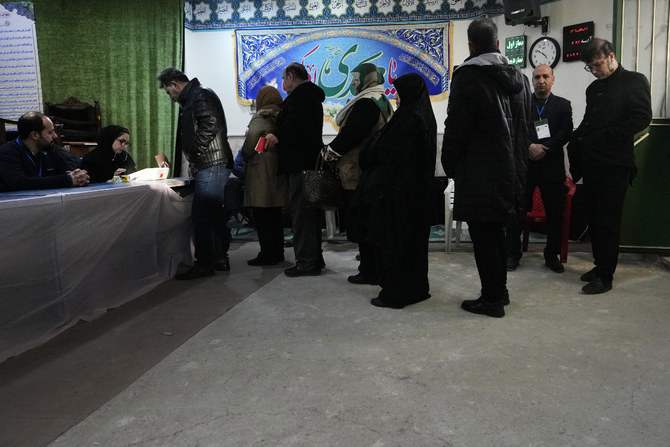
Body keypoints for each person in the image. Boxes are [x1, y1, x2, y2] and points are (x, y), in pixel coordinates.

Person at [441, 17, 533, 318]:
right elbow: (527, 128)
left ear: (470, 46)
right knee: (497, 234)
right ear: (496, 44)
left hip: (481, 171)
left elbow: (456, 128)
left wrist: (449, 164)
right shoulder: (521, 78)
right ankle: (499, 292)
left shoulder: (467, 76)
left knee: (483, 237)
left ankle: (491, 299)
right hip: (513, 171)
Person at [567, 38, 652, 294]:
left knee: (608, 220)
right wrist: (576, 137)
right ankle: (599, 264)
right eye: (589, 67)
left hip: (615, 164)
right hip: (593, 163)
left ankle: (605, 276)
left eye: (597, 65)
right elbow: (589, 121)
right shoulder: (594, 90)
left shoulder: (634, 81)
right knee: (593, 218)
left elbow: (642, 117)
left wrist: (606, 136)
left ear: (611, 57)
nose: (594, 71)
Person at [357, 73, 436, 309]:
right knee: (415, 245)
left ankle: (395, 293)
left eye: (399, 93)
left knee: (395, 243)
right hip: (417, 194)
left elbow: (384, 152)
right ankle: (417, 289)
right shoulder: (425, 116)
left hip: (398, 195)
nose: (397, 98)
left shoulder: (408, 118)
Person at [157, 68, 235, 280]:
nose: (169, 96)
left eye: (168, 91)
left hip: (212, 162)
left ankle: (205, 263)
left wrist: (195, 151)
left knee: (202, 215)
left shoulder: (200, 95)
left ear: (175, 84)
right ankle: (219, 257)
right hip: (213, 162)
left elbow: (210, 123)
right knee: (214, 214)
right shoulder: (197, 95)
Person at [323, 63, 394, 286]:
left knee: (363, 222)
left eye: (356, 79)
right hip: (370, 169)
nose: (353, 83)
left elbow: (353, 134)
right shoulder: (380, 100)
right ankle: (371, 266)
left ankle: (369, 270)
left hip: (358, 170)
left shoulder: (366, 103)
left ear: (367, 79)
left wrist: (330, 152)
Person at [506, 64, 573, 273]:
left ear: (553, 79)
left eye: (545, 76)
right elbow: (513, 129)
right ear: (532, 80)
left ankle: (551, 255)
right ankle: (512, 254)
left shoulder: (563, 105)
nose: (541, 81)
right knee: (517, 212)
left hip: (551, 166)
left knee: (555, 214)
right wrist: (528, 147)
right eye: (536, 77)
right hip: (525, 166)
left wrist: (545, 148)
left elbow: (566, 132)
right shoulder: (522, 103)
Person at [265, 62, 326, 277]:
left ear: (292, 76)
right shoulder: (311, 96)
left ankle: (307, 262)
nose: (283, 84)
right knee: (310, 214)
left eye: (284, 79)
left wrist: (276, 135)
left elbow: (294, 126)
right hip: (310, 162)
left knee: (302, 214)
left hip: (300, 164)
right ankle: (314, 258)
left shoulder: (300, 97)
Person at [240, 85, 288, 266]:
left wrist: (245, 154)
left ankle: (267, 254)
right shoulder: (281, 117)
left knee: (262, 213)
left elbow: (252, 136)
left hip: (260, 170)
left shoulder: (262, 116)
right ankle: (278, 252)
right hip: (276, 169)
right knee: (275, 214)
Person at [0, 111, 89, 191]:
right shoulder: (7, 153)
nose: (55, 136)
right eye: (50, 132)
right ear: (35, 135)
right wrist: (68, 180)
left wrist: (79, 176)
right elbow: (20, 183)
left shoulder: (50, 149)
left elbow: (66, 170)